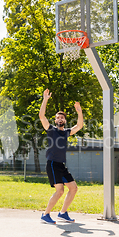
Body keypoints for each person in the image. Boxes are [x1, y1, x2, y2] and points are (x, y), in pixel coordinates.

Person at [39, 89, 83, 224]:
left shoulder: (67, 132)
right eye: (57, 117)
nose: (60, 119)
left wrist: (79, 111)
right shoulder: (51, 129)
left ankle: (62, 213)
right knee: (60, 191)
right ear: (55, 120)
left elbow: (79, 126)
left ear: (64, 120)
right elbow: (42, 116)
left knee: (73, 188)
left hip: (61, 165)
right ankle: (45, 215)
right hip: (52, 163)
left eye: (62, 117)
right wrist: (45, 99)